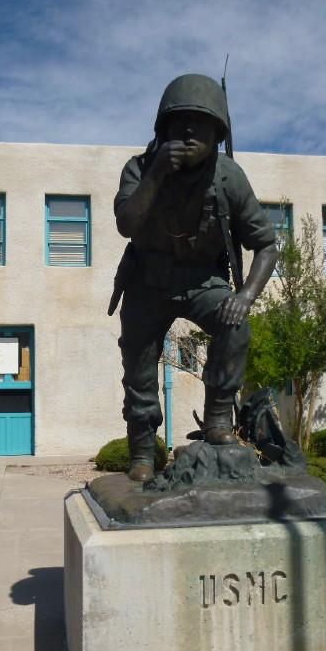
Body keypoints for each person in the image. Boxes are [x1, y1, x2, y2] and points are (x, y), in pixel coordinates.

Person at [113, 74, 278, 482]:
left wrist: (246, 296)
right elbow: (126, 223)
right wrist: (155, 177)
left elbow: (267, 245)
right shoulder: (138, 168)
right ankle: (142, 452)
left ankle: (218, 419)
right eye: (178, 122)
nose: (187, 131)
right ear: (162, 129)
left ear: (217, 134)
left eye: (199, 123)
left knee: (235, 325)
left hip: (204, 280)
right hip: (148, 281)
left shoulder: (229, 177)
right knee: (138, 364)